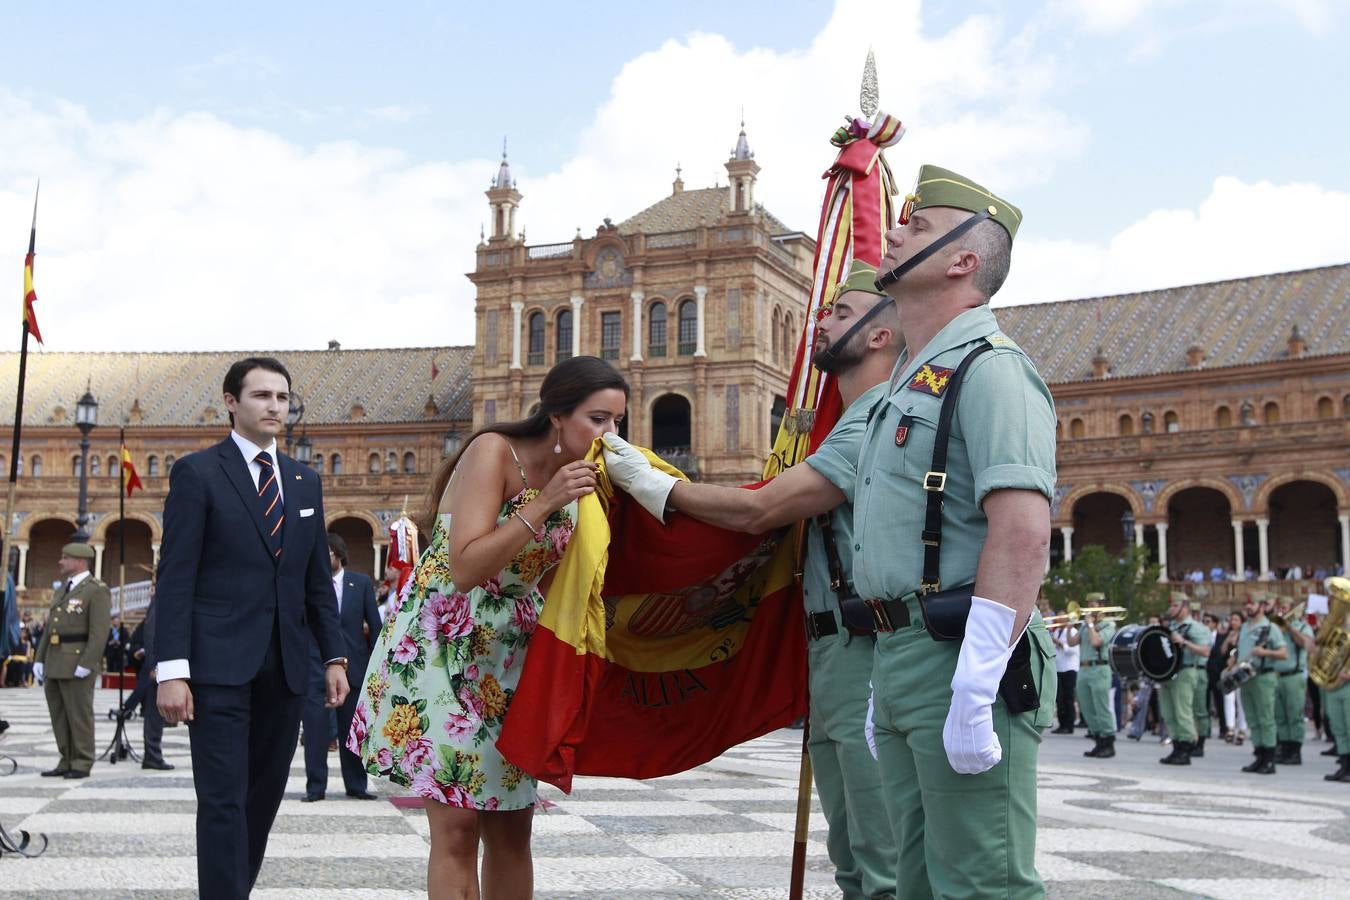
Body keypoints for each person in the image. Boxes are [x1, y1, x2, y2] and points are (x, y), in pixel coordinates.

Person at [602, 259, 903, 898]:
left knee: (882, 854)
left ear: (883, 333)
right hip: (830, 651)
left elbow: (760, 509)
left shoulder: (879, 417)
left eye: (840, 314)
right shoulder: (849, 421)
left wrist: (658, 488)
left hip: (867, 652)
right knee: (852, 846)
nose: (821, 321)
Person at [848, 165, 1057, 897]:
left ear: (964, 260)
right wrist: (889, 670)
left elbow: (1023, 534)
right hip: (902, 652)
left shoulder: (991, 370)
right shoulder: (908, 379)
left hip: (961, 652)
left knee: (980, 881)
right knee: (920, 882)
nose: (895, 231)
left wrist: (976, 680)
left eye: (920, 226)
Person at [352, 355, 618, 900]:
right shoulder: (494, 451)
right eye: (598, 419)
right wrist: (545, 503)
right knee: (457, 826)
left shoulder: (589, 477)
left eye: (617, 422)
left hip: (510, 658)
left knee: (512, 824)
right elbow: (468, 567)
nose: (609, 434)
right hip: (445, 643)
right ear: (557, 417)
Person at [154, 356, 348, 900]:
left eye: (283, 398)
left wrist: (333, 657)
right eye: (262, 396)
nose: (275, 407)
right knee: (221, 798)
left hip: (286, 667)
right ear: (232, 403)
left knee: (262, 796)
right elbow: (175, 577)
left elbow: (315, 581)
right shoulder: (198, 473)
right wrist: (171, 670)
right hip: (216, 666)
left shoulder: (305, 482)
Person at [301, 532, 382, 801]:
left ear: (339, 554)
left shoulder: (359, 584)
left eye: (328, 553)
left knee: (352, 732)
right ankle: (315, 787)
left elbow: (375, 625)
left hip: (354, 668)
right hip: (315, 667)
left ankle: (357, 785)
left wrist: (376, 666)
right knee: (315, 731)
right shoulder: (310, 586)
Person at [33, 542, 112, 778]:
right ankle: (66, 758)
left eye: (65, 558)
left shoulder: (96, 590)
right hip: (56, 659)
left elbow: (99, 632)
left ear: (79, 561)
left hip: (77, 661)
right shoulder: (63, 589)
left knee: (78, 715)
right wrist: (40, 658)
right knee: (59, 713)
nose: (60, 561)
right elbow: (50, 628)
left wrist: (87, 663)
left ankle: (82, 760)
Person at [1236, 594, 1288, 774]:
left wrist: (1265, 652)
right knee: (1252, 718)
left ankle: (1269, 758)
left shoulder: (1270, 627)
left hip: (1263, 676)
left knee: (1266, 718)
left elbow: (1283, 653)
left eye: (1252, 603)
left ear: (1262, 606)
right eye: (1246, 603)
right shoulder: (1244, 627)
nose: (1248, 607)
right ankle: (1259, 755)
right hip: (1245, 677)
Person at [1158, 594, 1211, 764]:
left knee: (1183, 712)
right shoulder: (1171, 626)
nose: (1171, 609)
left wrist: (1185, 642)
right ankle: (1177, 747)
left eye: (1175, 606)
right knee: (1169, 713)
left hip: (1186, 671)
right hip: (1169, 673)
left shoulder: (1196, 628)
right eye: (1171, 605)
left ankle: (1187, 748)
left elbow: (1205, 651)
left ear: (1185, 608)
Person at [1071, 593, 1117, 758]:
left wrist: (1090, 625)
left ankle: (1108, 742)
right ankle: (1098, 740)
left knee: (1101, 707)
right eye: (1089, 603)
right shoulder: (1085, 625)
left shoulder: (1108, 625)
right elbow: (1072, 642)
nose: (1090, 606)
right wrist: (1069, 626)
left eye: (1094, 603)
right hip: (1083, 669)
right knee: (1087, 707)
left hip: (1099, 669)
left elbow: (1096, 642)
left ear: (1102, 606)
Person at [1272, 596, 1314, 765]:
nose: (1281, 611)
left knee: (1294, 715)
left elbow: (1307, 645)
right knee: (1280, 716)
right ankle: (1284, 748)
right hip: (1277, 676)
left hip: (1293, 675)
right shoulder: (1275, 628)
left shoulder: (1303, 626)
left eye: (1285, 608)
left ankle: (1295, 751)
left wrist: (1289, 628)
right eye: (1279, 608)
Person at [1050, 618, 1079, 734]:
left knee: (1068, 698)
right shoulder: (1056, 632)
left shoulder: (1073, 632)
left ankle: (1069, 724)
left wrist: (1061, 644)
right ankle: (1062, 724)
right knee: (1059, 698)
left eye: (1062, 618)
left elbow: (1073, 651)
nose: (1058, 619)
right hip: (1058, 668)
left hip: (1069, 668)